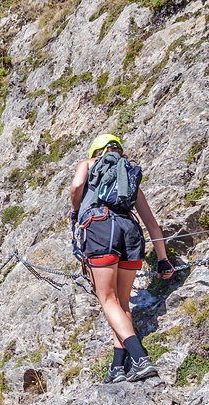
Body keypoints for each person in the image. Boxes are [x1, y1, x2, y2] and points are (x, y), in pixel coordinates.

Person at [70, 134, 175, 383]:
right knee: (122, 303)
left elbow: (76, 186)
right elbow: (151, 223)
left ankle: (140, 358)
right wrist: (163, 259)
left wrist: (76, 211)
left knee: (107, 299)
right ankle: (118, 366)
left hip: (100, 229)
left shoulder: (88, 163)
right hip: (130, 232)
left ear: (96, 150)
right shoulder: (127, 175)